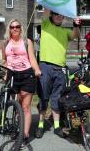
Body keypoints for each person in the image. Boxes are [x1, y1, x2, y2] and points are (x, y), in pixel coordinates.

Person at [35, 10, 81, 139]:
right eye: (57, 14)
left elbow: (75, 35)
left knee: (56, 98)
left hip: (60, 69)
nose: (60, 16)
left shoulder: (65, 31)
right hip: (45, 66)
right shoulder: (45, 25)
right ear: (52, 15)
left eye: (61, 15)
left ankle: (56, 126)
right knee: (43, 98)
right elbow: (45, 11)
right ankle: (40, 125)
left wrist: (76, 25)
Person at [1, 19, 41, 147]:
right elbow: (4, 60)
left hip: (26, 75)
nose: (15, 29)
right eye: (12, 27)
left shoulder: (27, 42)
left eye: (17, 26)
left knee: (26, 107)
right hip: (12, 75)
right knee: (16, 106)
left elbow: (32, 58)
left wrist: (37, 70)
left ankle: (24, 134)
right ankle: (18, 128)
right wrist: (5, 71)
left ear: (21, 28)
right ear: (9, 29)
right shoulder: (5, 43)